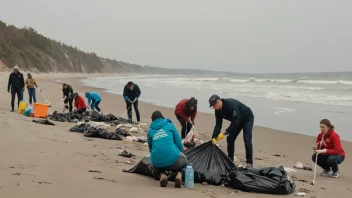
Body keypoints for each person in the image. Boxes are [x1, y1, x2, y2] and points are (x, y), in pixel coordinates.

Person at [209, 94, 254, 168]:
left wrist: (225, 133)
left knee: (247, 140)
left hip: (247, 118)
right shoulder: (217, 111)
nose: (214, 108)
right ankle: (230, 159)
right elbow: (218, 125)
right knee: (230, 139)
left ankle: (249, 163)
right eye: (212, 106)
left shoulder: (231, 105)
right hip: (237, 121)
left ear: (219, 101)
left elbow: (235, 122)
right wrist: (214, 137)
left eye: (214, 105)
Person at [147, 111, 187, 188]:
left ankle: (162, 174)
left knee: (157, 159)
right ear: (162, 117)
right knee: (185, 160)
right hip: (173, 159)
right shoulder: (170, 125)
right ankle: (179, 174)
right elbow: (178, 142)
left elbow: (150, 146)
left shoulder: (150, 130)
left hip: (157, 161)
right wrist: (181, 152)